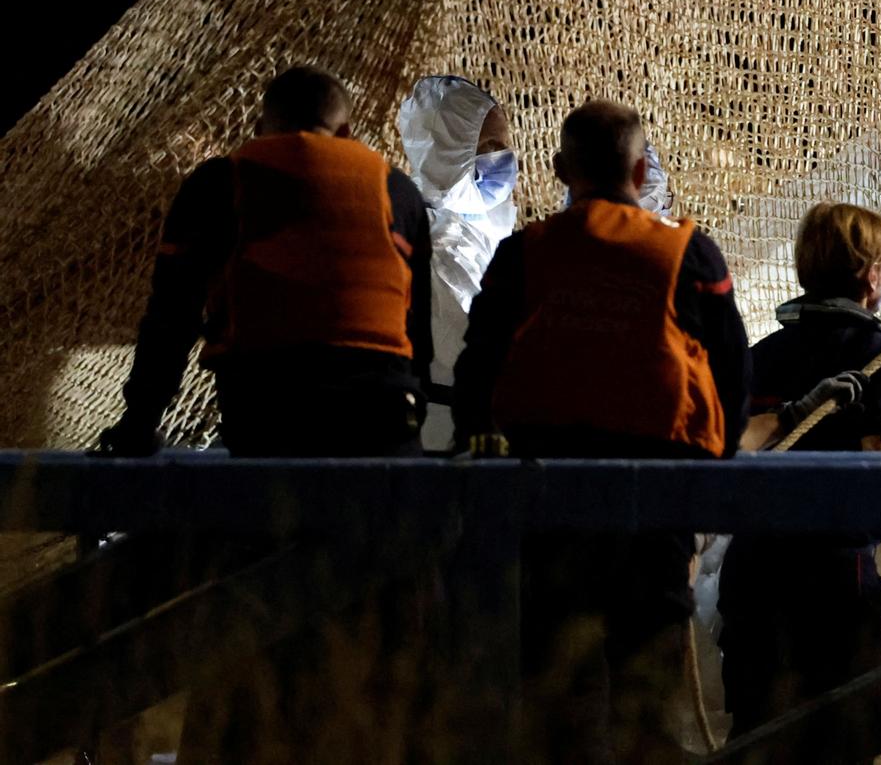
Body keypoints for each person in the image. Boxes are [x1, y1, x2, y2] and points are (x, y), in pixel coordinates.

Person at [453, 99, 749, 765]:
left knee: (557, 708)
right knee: (646, 713)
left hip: (546, 515)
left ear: (559, 168)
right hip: (655, 518)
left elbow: (477, 374)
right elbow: (733, 374)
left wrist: (487, 468)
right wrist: (712, 483)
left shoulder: (523, 252)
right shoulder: (690, 254)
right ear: (642, 170)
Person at [99, 65, 432, 457]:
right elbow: (416, 327)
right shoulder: (397, 190)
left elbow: (172, 314)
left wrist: (139, 421)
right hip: (381, 414)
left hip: (266, 413)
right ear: (346, 134)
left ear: (260, 129)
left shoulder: (220, 183)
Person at [719, 202, 881, 737]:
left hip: (752, 579)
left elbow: (724, 454)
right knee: (836, 742)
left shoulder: (762, 354)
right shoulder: (880, 354)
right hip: (829, 585)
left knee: (754, 741)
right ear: (872, 275)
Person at [398, 75, 517, 450]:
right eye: (491, 146)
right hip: (444, 435)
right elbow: (470, 349)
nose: (506, 159)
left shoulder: (473, 233)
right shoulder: (438, 243)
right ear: (450, 153)